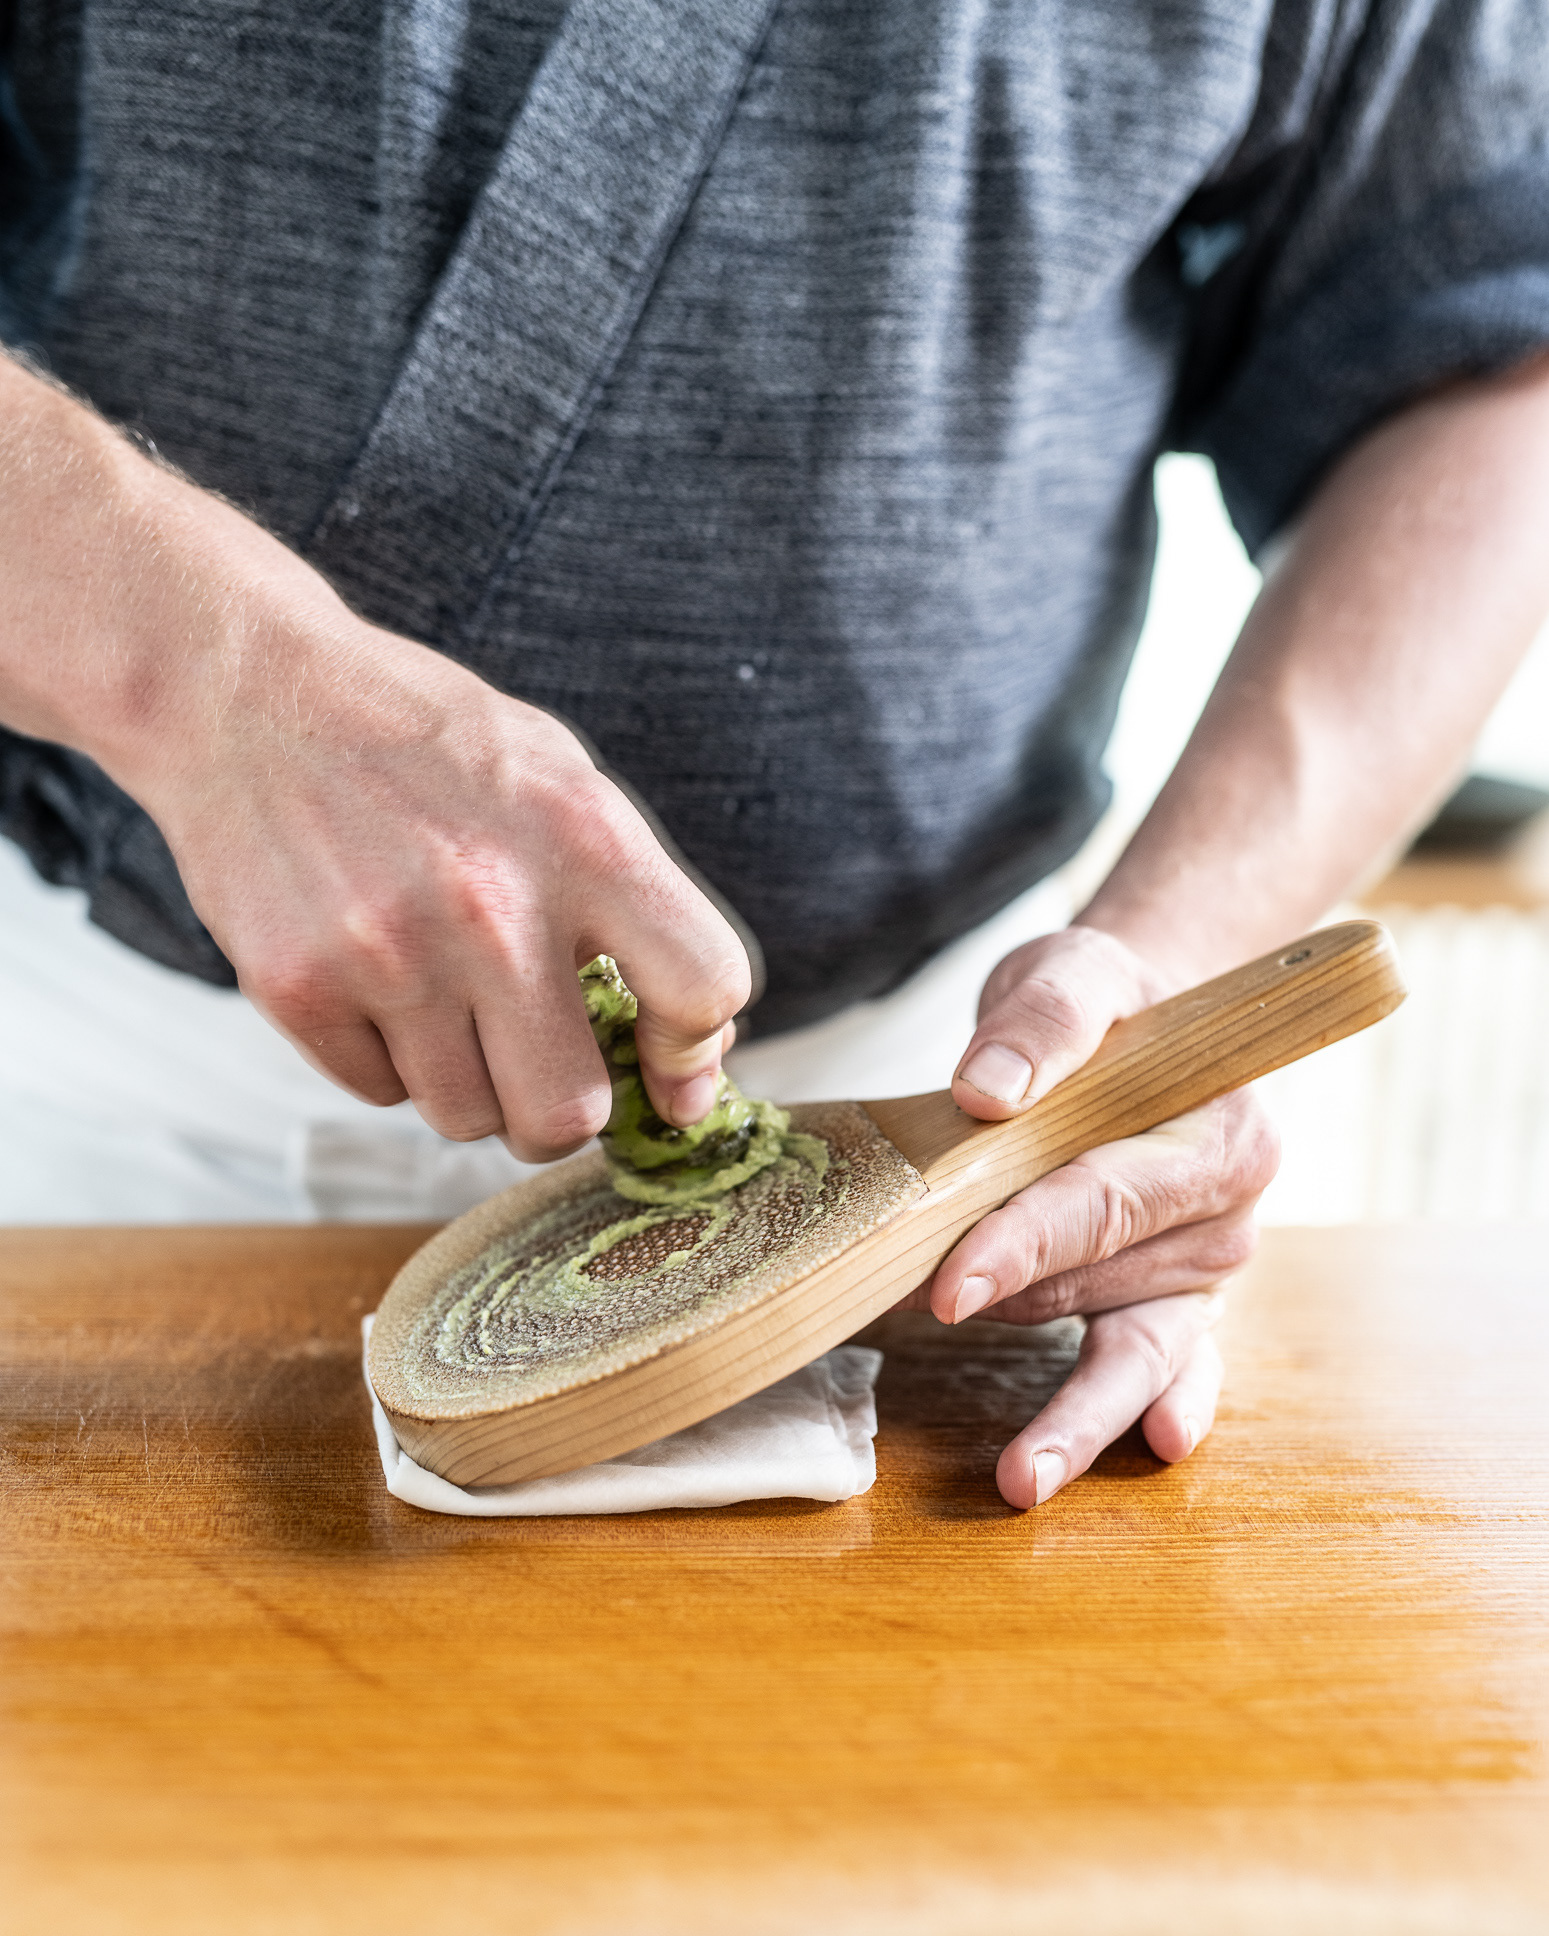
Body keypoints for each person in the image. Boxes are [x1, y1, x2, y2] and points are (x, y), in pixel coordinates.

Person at [2, 0, 1547, 1508]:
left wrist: (1168, 965)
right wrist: (214, 674)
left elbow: (1475, 363)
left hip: (931, 1159)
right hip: (106, 1106)